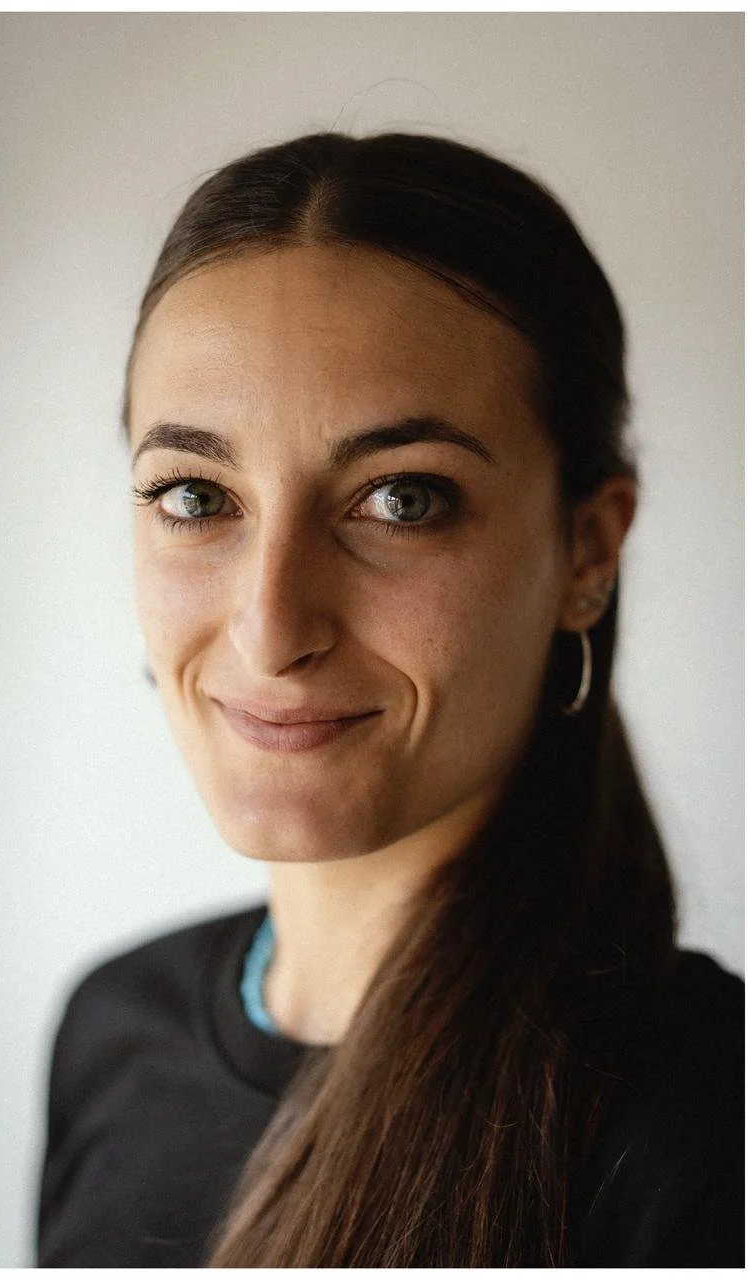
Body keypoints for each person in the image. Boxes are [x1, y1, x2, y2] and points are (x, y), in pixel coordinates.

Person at [36, 132, 743, 1268]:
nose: (271, 628)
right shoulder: (111, 1028)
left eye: (402, 499)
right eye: (195, 496)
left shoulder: (706, 1142)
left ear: (587, 550)